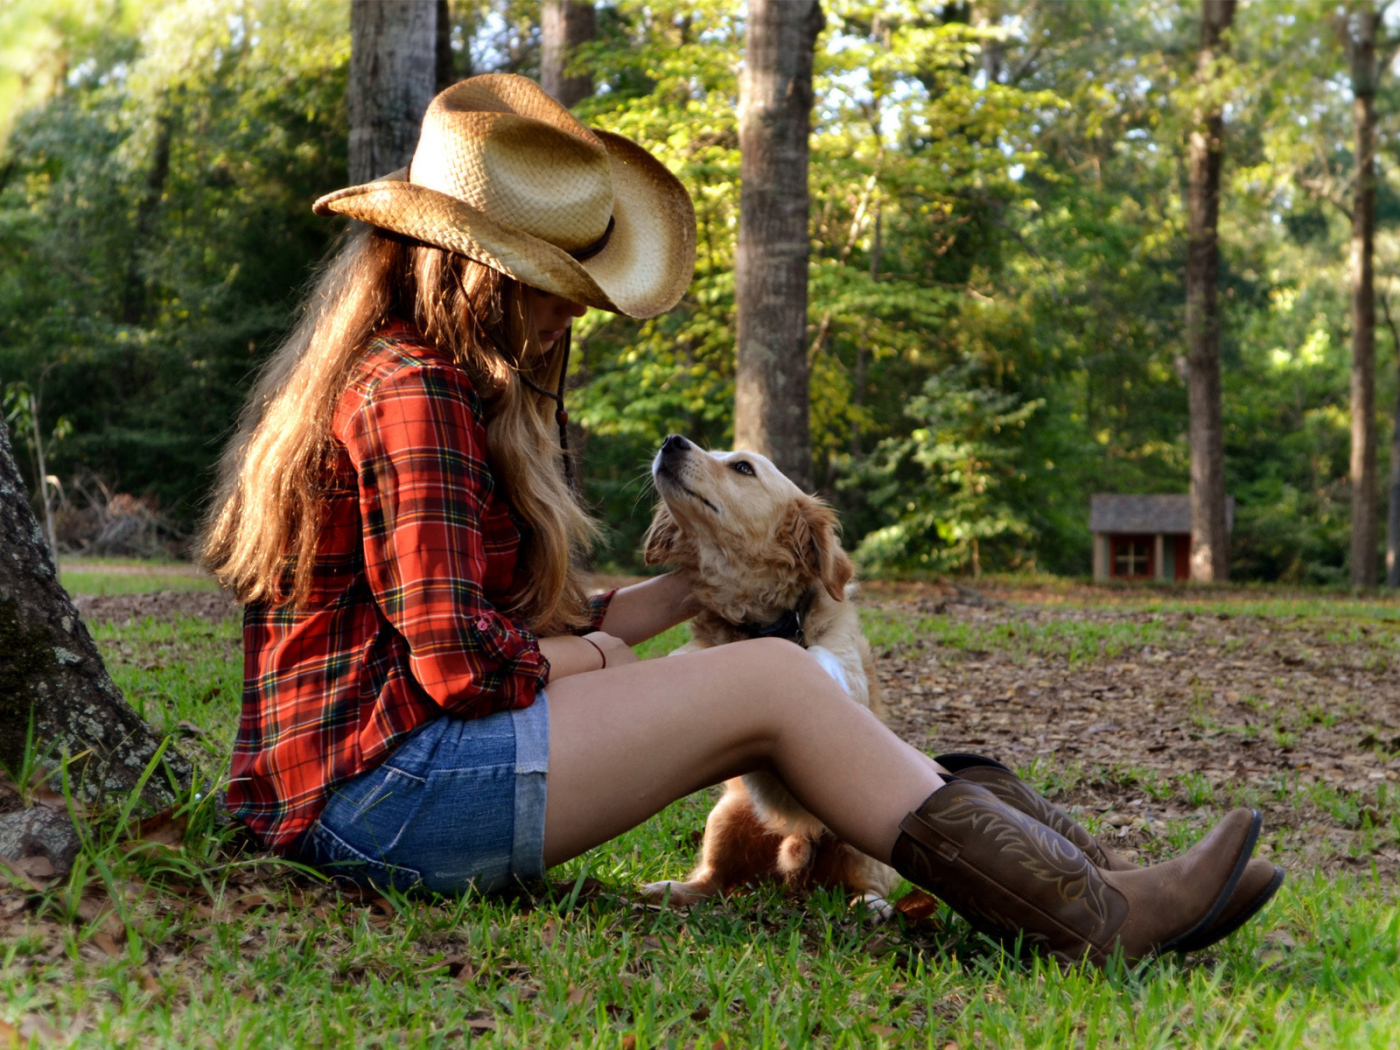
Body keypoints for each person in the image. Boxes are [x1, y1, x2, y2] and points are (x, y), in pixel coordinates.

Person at [202, 74, 1280, 968]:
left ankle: (1090, 885)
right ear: (483, 275)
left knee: (770, 680)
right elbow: (460, 668)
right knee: (771, 682)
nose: (571, 313)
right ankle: (1094, 918)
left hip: (369, 790)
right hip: (377, 804)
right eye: (556, 287)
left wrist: (672, 597)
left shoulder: (407, 379)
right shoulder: (412, 395)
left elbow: (490, 625)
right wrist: (600, 661)